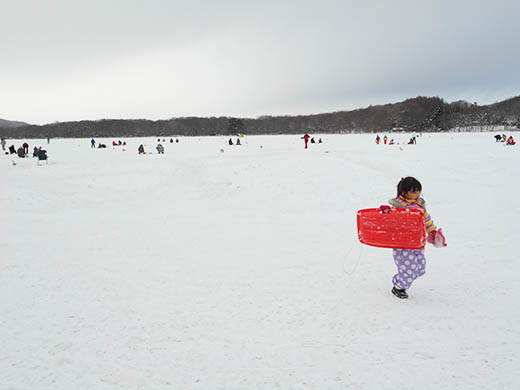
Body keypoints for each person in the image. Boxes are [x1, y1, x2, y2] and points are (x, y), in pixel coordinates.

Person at [387, 177, 446, 299]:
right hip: (403, 243)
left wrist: (432, 231)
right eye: (414, 191)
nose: (417, 194)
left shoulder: (419, 205)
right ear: (404, 192)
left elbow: (426, 220)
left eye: (418, 191)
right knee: (409, 267)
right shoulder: (399, 206)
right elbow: (392, 221)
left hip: (417, 242)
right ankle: (398, 287)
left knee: (420, 268)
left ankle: (402, 279)